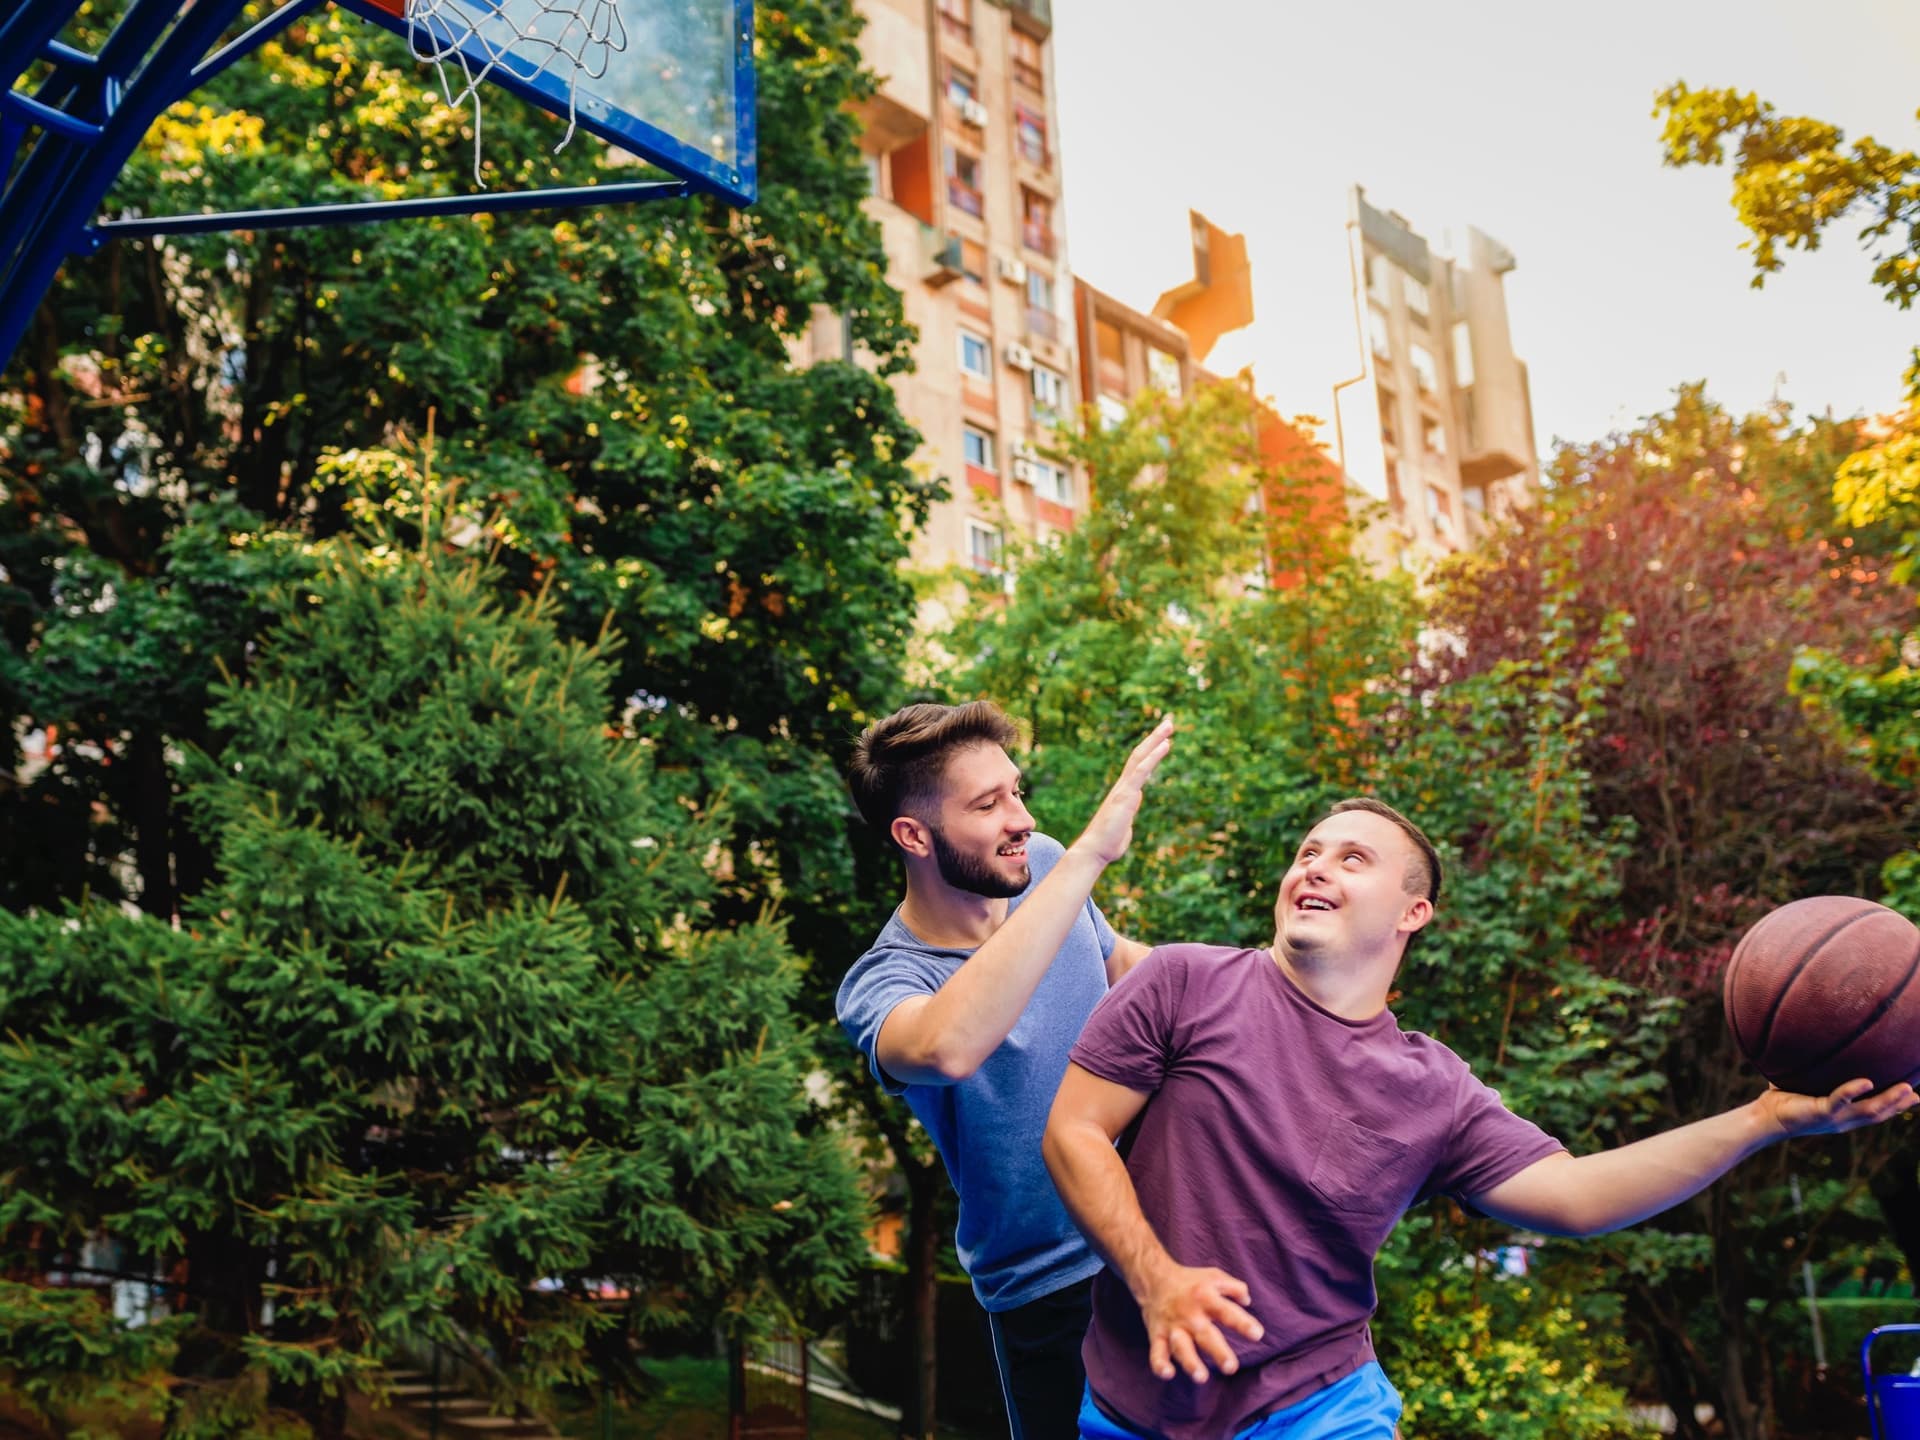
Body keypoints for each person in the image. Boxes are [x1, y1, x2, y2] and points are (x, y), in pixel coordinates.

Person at [1043, 797, 1919, 1440]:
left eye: (1353, 859)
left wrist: (1764, 1118)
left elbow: (1573, 1196)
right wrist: (1157, 1279)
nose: (1314, 866)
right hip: (1133, 1405)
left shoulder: (1433, 1087)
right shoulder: (1185, 982)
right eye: (1309, 851)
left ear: (1413, 913)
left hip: (1318, 1406)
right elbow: (1073, 1133)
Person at [837, 701, 1172, 1440]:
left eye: (1015, 791)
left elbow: (1122, 966)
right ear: (913, 835)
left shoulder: (1041, 865)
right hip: (1051, 1297)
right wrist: (1088, 858)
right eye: (988, 804)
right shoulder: (884, 983)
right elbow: (947, 1046)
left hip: (1163, 1242)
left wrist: (1273, 987)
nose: (1019, 817)